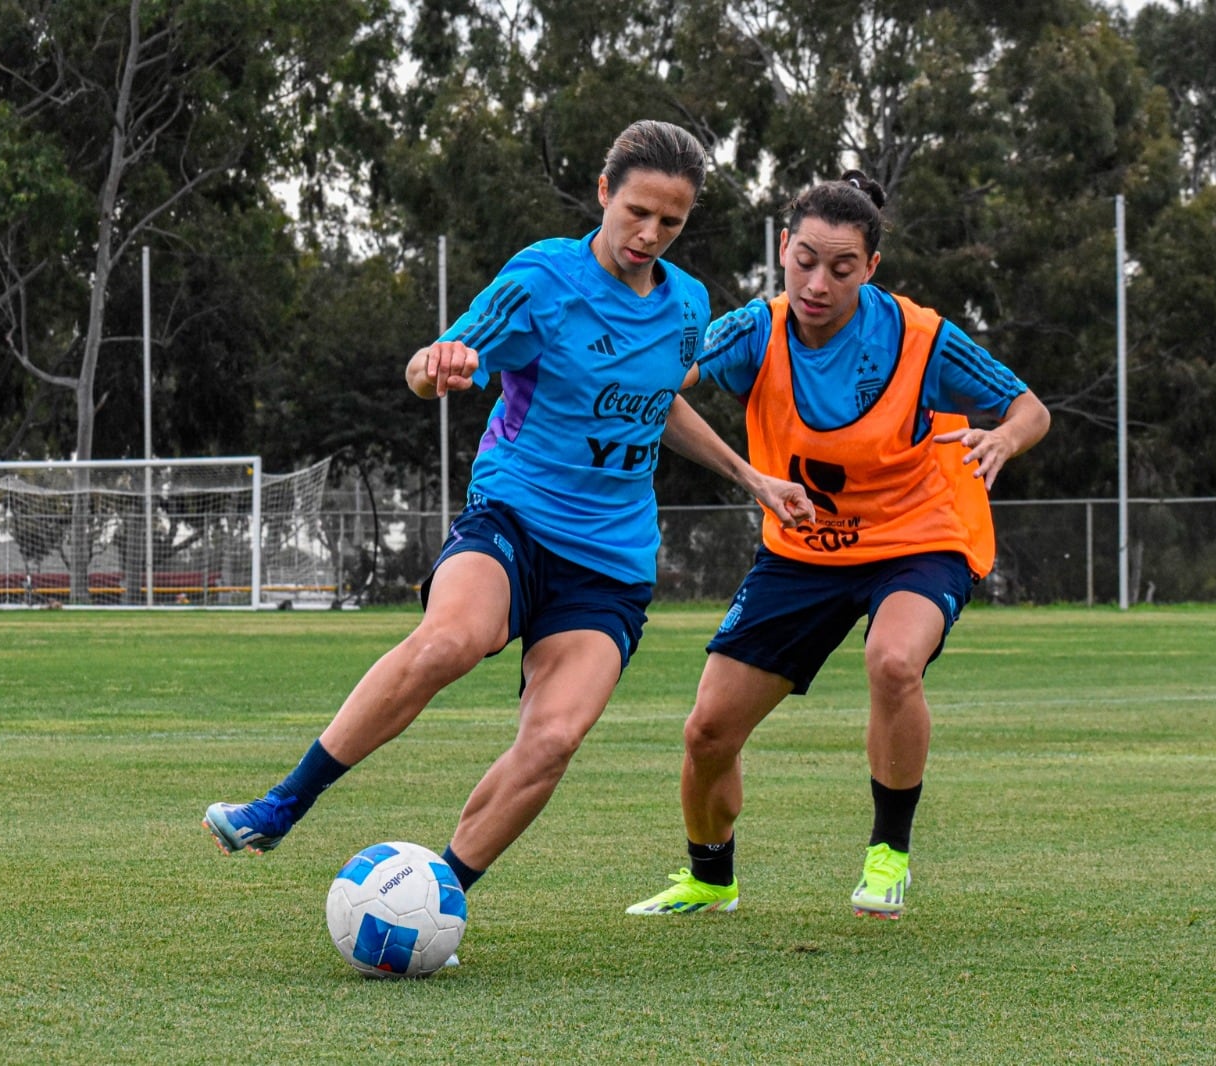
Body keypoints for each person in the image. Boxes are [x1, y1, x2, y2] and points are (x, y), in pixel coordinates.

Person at [202, 121, 813, 911]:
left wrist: (749, 476)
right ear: (603, 192)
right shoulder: (540, 281)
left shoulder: (686, 304)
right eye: (637, 212)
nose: (649, 234)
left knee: (555, 739)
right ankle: (283, 804)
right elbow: (432, 366)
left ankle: (434, 901)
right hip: (513, 521)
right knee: (453, 640)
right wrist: (438, 366)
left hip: (610, 565)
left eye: (671, 222)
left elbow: (656, 404)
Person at [627, 174, 1050, 919]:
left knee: (892, 661)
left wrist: (1004, 440)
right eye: (804, 261)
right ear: (783, 251)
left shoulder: (920, 338)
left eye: (842, 267)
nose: (818, 283)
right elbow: (658, 383)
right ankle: (709, 877)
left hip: (920, 537)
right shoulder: (754, 329)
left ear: (872, 268)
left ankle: (888, 856)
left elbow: (1029, 407)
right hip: (801, 549)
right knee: (708, 731)